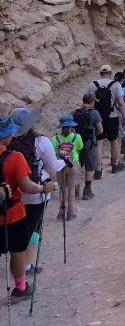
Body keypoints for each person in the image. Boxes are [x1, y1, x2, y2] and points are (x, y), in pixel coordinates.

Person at [0, 115, 56, 300]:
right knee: (17, 251)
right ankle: (21, 288)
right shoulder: (15, 158)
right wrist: (43, 188)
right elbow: (26, 186)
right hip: (13, 213)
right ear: (7, 137)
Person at [9, 109, 64, 275]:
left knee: (20, 228)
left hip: (15, 193)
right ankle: (26, 265)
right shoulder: (41, 142)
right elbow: (53, 166)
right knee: (34, 228)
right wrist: (63, 161)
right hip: (37, 192)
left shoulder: (8, 143)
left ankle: (20, 262)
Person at [92, 65, 125, 174]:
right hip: (112, 117)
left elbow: (89, 103)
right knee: (114, 141)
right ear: (111, 73)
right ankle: (115, 165)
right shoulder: (116, 85)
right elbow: (121, 103)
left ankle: (98, 170)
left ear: (100, 73)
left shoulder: (92, 85)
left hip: (97, 118)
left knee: (99, 143)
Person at [72, 92, 103, 201]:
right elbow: (100, 130)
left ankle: (75, 189)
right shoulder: (94, 113)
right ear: (92, 101)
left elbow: (71, 129)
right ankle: (87, 190)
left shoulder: (75, 113)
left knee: (77, 165)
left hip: (76, 143)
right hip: (89, 143)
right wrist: (94, 135)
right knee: (90, 166)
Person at [52, 116, 82, 221]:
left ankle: (61, 210)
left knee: (62, 188)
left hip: (60, 165)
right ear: (71, 126)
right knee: (71, 188)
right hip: (72, 164)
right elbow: (80, 147)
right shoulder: (77, 137)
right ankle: (70, 211)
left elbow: (54, 152)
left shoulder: (55, 139)